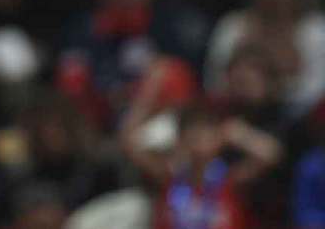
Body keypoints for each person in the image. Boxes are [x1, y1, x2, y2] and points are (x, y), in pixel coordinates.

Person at [120, 62, 283, 229]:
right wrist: (149, 92)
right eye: (193, 134)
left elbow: (270, 153)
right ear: (181, 139)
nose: (198, 141)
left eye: (205, 134)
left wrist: (238, 134)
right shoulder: (169, 175)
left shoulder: (230, 179)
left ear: (218, 139)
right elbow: (130, 144)